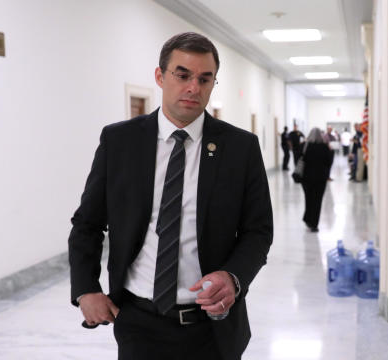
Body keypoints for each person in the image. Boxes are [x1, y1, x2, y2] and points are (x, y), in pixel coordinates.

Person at [68, 32, 273, 360]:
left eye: (205, 79)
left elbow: (258, 231)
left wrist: (233, 277)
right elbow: (87, 223)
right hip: (139, 321)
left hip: (212, 327)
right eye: (183, 75)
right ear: (160, 76)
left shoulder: (240, 148)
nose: (194, 87)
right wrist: (85, 288)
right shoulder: (120, 141)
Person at [300, 128, 334, 232]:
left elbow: (299, 159)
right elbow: (329, 162)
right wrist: (331, 151)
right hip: (320, 179)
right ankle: (314, 224)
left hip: (306, 179)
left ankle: (308, 219)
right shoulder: (324, 147)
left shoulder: (305, 146)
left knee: (308, 199)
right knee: (317, 201)